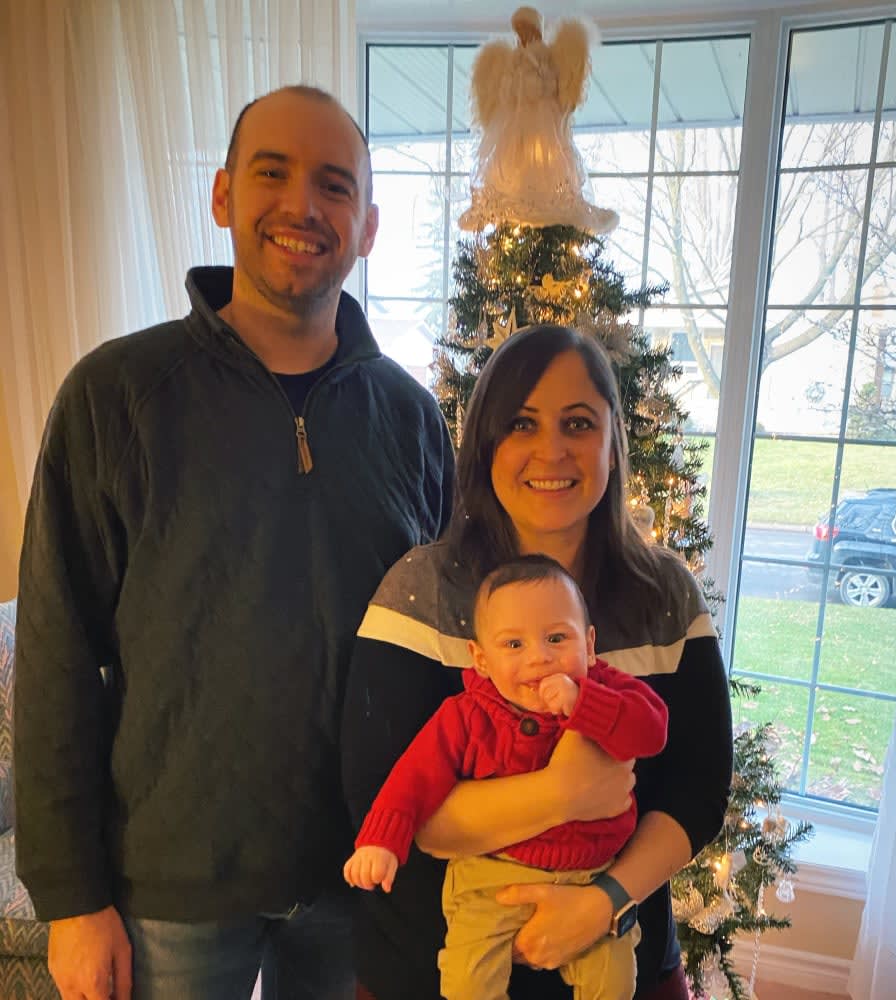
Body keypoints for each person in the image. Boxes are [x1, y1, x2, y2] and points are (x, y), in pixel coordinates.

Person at [14, 85, 453, 1000]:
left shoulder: (412, 421)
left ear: (367, 226)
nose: (302, 205)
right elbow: (57, 659)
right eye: (272, 173)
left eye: (334, 186)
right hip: (169, 888)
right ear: (222, 197)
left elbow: (446, 659)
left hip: (363, 877)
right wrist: (69, 898)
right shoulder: (114, 397)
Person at [342, 322, 733, 1000]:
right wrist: (565, 792)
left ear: (614, 441)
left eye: (578, 423)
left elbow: (698, 792)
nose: (551, 449)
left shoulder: (664, 597)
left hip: (621, 953)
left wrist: (603, 901)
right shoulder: (422, 590)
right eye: (521, 424)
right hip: (435, 969)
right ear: (486, 444)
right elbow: (390, 799)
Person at [345, 554, 668, 1000]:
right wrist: (381, 841)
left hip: (593, 875)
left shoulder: (609, 691)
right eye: (513, 645)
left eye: (557, 637)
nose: (539, 658)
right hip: (489, 878)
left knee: (614, 983)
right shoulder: (466, 716)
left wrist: (585, 703)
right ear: (480, 658)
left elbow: (652, 731)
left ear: (590, 645)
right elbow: (414, 778)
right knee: (468, 981)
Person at [457, 7, 618, 235]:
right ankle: (514, 198)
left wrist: (532, 85)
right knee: (510, 163)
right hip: (513, 126)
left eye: (524, 28)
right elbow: (504, 91)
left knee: (545, 164)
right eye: (518, 30)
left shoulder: (545, 56)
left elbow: (554, 88)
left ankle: (542, 201)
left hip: (542, 122)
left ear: (534, 29)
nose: (521, 34)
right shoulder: (512, 60)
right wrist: (514, 88)